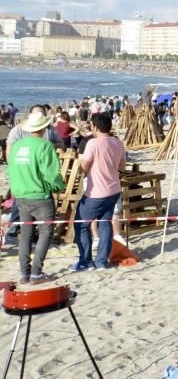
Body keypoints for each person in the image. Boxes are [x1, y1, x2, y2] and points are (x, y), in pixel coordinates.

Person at [7, 111, 66, 284]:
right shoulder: (44, 145)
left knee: (25, 233)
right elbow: (51, 173)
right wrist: (59, 187)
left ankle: (25, 273)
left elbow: (11, 169)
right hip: (40, 195)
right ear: (44, 127)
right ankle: (36, 273)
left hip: (21, 194)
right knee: (46, 233)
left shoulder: (17, 145)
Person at [72, 113, 125, 271]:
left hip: (97, 192)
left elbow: (84, 167)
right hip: (114, 189)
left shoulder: (93, 143)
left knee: (81, 223)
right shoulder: (117, 142)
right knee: (105, 222)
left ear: (94, 127)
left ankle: (86, 260)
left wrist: (79, 163)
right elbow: (121, 167)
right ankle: (101, 261)